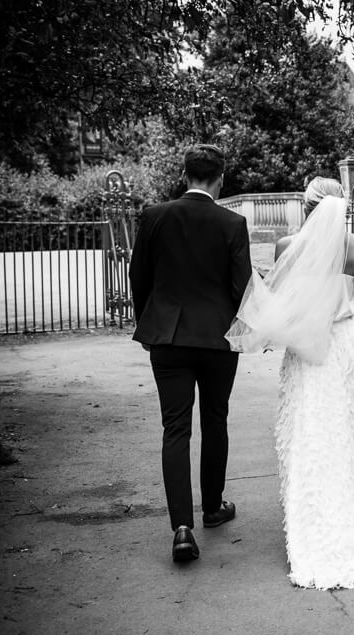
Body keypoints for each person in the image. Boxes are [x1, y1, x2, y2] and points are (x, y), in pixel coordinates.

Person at [225, 177, 354, 589]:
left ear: (307, 208)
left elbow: (278, 302)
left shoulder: (289, 246)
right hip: (345, 347)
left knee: (311, 431)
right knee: (349, 432)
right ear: (339, 208)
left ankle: (311, 525)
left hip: (307, 351)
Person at [129, 144, 252, 563]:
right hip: (218, 339)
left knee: (175, 429)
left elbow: (139, 279)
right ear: (220, 178)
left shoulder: (154, 216)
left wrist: (151, 325)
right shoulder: (233, 223)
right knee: (215, 420)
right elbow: (242, 289)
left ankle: (182, 527)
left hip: (167, 336)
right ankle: (213, 508)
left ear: (184, 175)